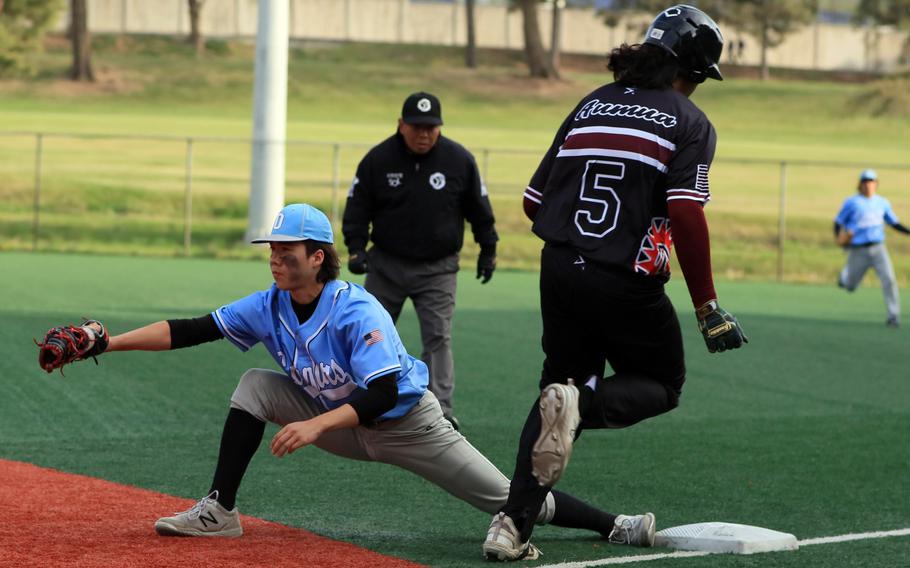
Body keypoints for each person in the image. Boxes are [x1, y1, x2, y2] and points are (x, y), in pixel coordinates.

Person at [37, 203, 644, 553]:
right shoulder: (268, 303)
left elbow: (380, 391)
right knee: (254, 383)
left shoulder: (358, 309)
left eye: (287, 249)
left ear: (318, 256)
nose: (275, 257)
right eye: (272, 248)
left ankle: (613, 525)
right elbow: (192, 328)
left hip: (407, 424)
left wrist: (314, 424)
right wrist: (109, 342)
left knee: (510, 503)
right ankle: (220, 509)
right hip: (335, 421)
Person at [481, 5, 748, 561]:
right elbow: (686, 213)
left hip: (558, 270)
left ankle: (511, 526)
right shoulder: (689, 122)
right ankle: (581, 402)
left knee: (554, 392)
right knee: (661, 382)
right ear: (693, 71)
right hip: (624, 281)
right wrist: (707, 305)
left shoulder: (592, 102)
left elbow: (533, 202)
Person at [342, 92, 498, 430]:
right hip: (386, 266)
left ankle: (440, 410)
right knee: (371, 334)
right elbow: (357, 207)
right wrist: (356, 248)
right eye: (416, 127)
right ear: (401, 125)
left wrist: (488, 248)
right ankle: (360, 403)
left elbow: (479, 209)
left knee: (438, 336)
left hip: (438, 268)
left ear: (440, 128)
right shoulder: (378, 159)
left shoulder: (459, 160)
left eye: (431, 127)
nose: (424, 134)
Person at [835, 169, 909, 327]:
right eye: (865, 182)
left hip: (878, 248)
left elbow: (893, 223)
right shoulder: (852, 202)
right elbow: (838, 221)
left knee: (889, 279)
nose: (868, 185)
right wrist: (838, 237)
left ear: (876, 184)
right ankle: (844, 277)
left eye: (871, 181)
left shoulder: (882, 202)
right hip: (858, 249)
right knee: (850, 286)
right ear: (860, 184)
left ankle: (893, 316)